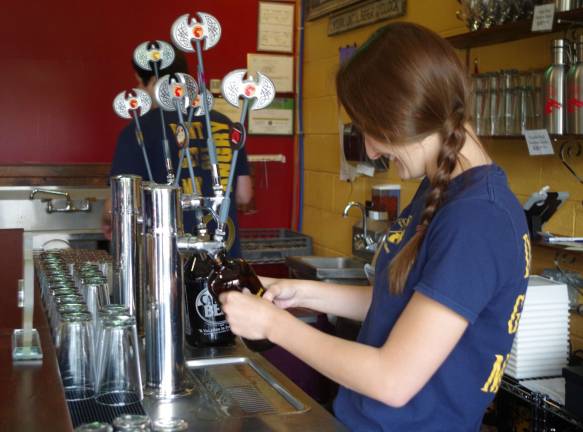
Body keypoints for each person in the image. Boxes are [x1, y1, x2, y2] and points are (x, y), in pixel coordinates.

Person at [218, 23, 530, 431]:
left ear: (403, 114)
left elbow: (392, 380)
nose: (369, 149)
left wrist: (275, 327)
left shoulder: (477, 220)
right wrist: (302, 293)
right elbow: (399, 304)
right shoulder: (441, 190)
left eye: (369, 129)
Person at [103, 46, 253, 258]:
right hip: (223, 254)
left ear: (155, 81)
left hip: (165, 261)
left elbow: (118, 204)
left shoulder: (138, 129)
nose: (138, 90)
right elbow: (244, 195)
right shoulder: (223, 123)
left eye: (139, 83)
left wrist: (107, 219)